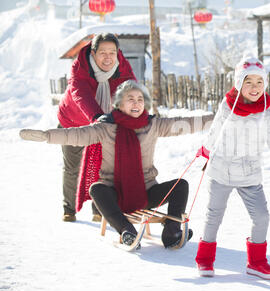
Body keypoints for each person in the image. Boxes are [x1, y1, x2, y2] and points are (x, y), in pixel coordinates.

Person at [20, 80, 214, 249]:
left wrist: (218, 119)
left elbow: (187, 123)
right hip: (114, 193)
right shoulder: (105, 127)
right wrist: (47, 136)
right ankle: (126, 231)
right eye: (130, 99)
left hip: (146, 191)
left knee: (181, 185)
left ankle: (171, 231)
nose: (136, 103)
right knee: (97, 188)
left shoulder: (152, 125)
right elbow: (76, 135)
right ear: (119, 104)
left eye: (140, 99)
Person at [194, 56, 270, 279]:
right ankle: (205, 259)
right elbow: (215, 130)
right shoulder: (227, 106)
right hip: (221, 171)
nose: (255, 87)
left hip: (249, 175)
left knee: (262, 217)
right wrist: (206, 150)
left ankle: (256, 262)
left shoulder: (266, 114)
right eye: (248, 82)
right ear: (239, 83)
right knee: (213, 216)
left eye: (260, 82)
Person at [57, 33, 137, 222]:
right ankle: (69, 208)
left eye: (112, 52)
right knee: (73, 167)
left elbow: (131, 89)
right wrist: (97, 117)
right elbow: (80, 94)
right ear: (93, 53)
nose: (108, 57)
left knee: (102, 168)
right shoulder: (80, 66)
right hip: (73, 122)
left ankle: (98, 208)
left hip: (103, 123)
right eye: (103, 52)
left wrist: (136, 113)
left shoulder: (121, 65)